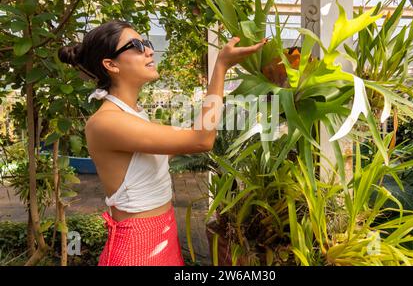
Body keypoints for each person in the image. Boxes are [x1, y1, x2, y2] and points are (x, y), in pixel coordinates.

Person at [57, 20, 267, 266]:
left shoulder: (134, 114)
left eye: (146, 42)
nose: (149, 50)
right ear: (110, 64)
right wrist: (221, 66)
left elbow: (173, 148)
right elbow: (201, 139)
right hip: (137, 251)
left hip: (164, 236)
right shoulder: (106, 122)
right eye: (136, 45)